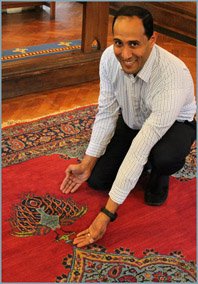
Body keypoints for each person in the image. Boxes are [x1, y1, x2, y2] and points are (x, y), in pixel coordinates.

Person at [60, 6, 196, 247]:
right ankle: (136, 170)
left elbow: (141, 146)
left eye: (134, 44)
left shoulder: (171, 76)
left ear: (152, 40)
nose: (125, 53)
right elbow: (107, 113)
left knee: (163, 156)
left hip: (173, 126)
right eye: (119, 43)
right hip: (133, 121)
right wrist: (86, 163)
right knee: (98, 181)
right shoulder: (108, 60)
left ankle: (159, 172)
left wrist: (107, 214)